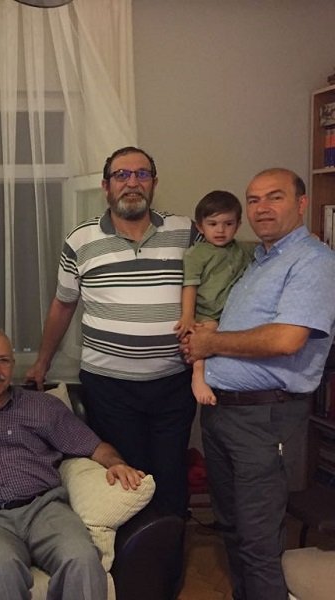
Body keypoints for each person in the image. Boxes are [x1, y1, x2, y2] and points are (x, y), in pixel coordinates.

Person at [181, 168, 335, 600]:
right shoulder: (256, 261)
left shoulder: (313, 261)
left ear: (301, 204)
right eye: (253, 200)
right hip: (222, 412)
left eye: (274, 197)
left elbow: (287, 340)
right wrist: (207, 335)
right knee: (231, 526)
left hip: (264, 417)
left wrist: (210, 342)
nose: (262, 208)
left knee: (258, 538)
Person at [25, 145, 197, 518]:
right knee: (125, 482)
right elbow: (63, 304)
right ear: (106, 186)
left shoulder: (186, 232)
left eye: (141, 174)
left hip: (173, 384)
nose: (132, 183)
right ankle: (132, 555)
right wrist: (42, 362)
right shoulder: (81, 240)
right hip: (110, 387)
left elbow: (212, 287)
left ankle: (168, 553)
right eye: (122, 175)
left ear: (154, 183)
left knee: (171, 478)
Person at [0, 326, 144, 600]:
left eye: (3, 360)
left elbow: (94, 446)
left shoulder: (42, 406)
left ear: (13, 364)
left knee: (81, 557)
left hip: (45, 509)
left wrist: (116, 463)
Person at [173, 190, 255, 405]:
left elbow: (267, 248)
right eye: (213, 224)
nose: (220, 230)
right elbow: (190, 285)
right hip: (206, 313)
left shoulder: (242, 249)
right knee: (205, 336)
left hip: (231, 313)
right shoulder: (196, 253)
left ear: (238, 225)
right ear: (200, 227)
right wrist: (188, 316)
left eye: (228, 224)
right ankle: (198, 376)